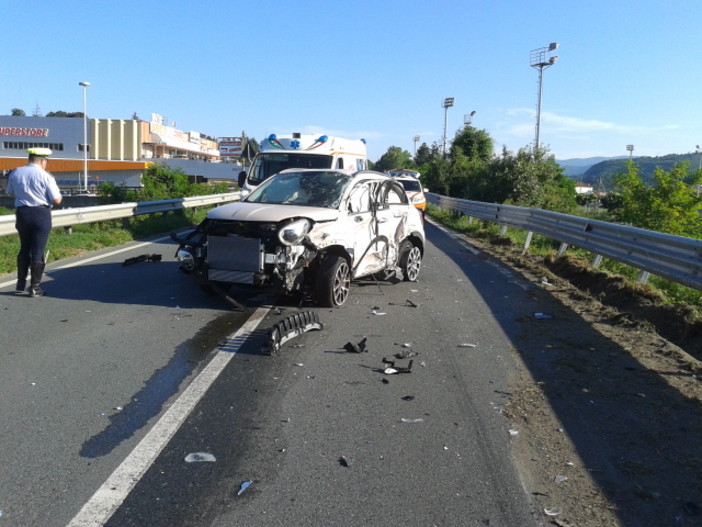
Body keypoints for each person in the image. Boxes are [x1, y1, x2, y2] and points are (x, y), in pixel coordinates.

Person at [6, 147, 63, 297]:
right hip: (41, 214)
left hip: (22, 213)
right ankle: (35, 287)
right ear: (43, 160)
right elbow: (56, 199)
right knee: (37, 250)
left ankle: (20, 283)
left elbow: (10, 192)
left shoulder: (16, 172)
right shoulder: (46, 176)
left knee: (24, 247)